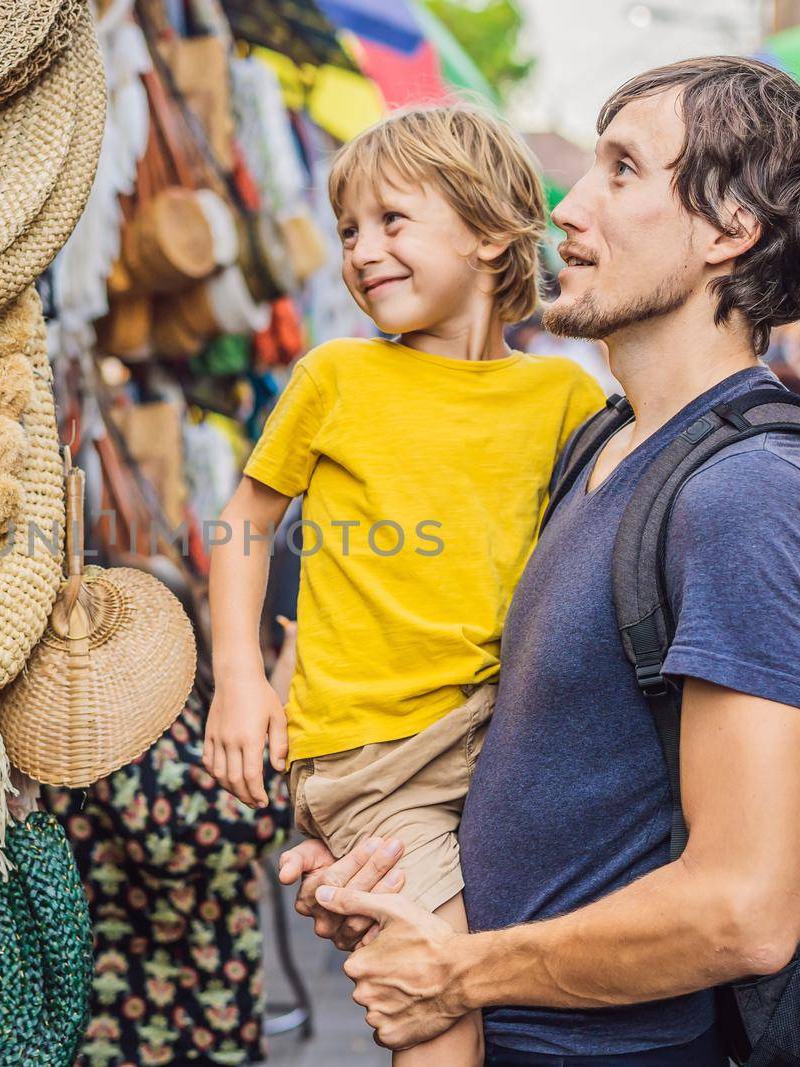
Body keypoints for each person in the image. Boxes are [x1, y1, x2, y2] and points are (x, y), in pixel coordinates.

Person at [284, 57, 800, 1066]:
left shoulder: (752, 495)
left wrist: (461, 967)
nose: (569, 208)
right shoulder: (601, 445)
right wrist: (394, 886)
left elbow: (744, 907)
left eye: (622, 171)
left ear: (730, 231)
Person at [205, 104, 605, 1067]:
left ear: (488, 232)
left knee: (532, 983)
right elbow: (244, 522)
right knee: (438, 1004)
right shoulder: (336, 377)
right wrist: (239, 676)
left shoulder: (567, 399)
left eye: (393, 220)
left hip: (506, 737)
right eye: (350, 229)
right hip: (375, 755)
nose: (362, 250)